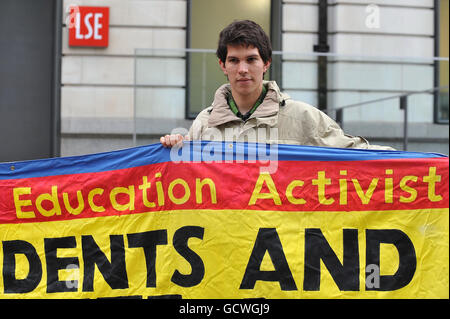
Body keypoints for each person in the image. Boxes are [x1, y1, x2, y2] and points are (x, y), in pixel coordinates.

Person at [160, 19, 394, 151]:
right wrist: (173, 149)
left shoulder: (303, 117)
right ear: (223, 65)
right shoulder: (203, 123)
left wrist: (418, 163)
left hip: (280, 237)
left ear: (266, 64)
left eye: (251, 59)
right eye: (234, 60)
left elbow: (356, 154)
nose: (242, 69)